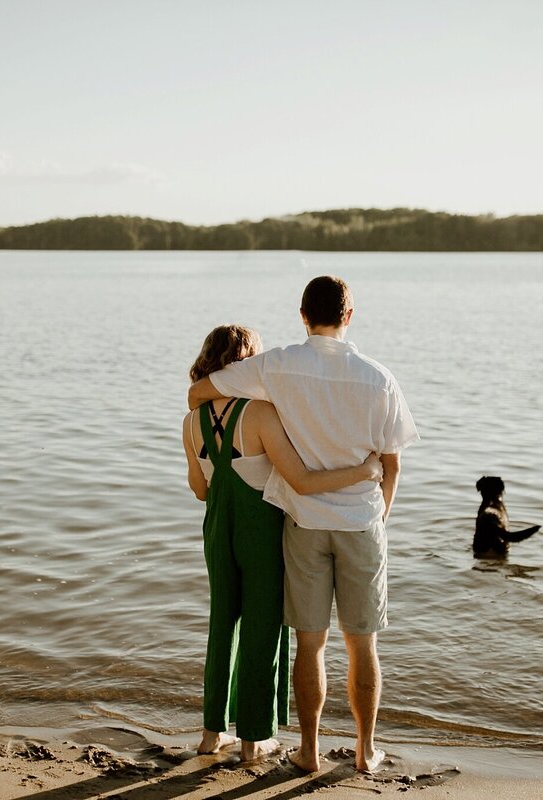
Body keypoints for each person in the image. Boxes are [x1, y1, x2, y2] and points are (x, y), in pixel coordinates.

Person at [187, 277, 418, 773]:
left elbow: (200, 392)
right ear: (349, 315)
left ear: (302, 314)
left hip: (304, 524)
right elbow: (393, 464)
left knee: (309, 643)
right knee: (363, 643)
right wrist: (379, 515)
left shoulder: (277, 366)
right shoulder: (379, 378)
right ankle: (364, 751)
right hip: (360, 523)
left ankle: (308, 752)